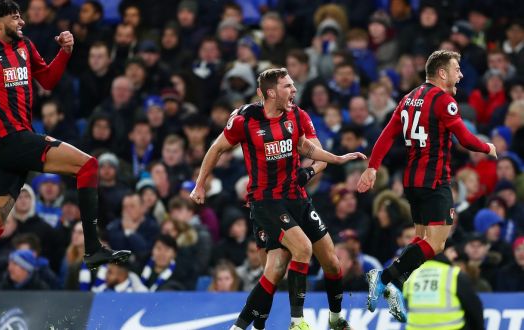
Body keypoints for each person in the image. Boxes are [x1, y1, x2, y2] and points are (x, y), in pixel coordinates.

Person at [0, 1, 130, 329]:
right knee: (88, 166)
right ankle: (92, 248)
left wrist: (65, 53)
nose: (22, 20)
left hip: (15, 145)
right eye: (15, 15)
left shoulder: (26, 47)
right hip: (9, 140)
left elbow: (48, 80)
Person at [191, 68, 365, 330]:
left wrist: (327, 163)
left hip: (297, 198)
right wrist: (200, 185)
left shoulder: (297, 115)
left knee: (328, 260)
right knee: (296, 253)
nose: (294, 90)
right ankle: (296, 322)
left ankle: (334, 317)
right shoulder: (244, 120)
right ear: (270, 92)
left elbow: (310, 149)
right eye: (288, 86)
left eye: (293, 85)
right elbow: (216, 149)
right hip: (266, 202)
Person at [357, 50, 497, 323]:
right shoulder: (443, 101)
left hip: (411, 181)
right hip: (435, 181)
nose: (461, 75)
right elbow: (465, 139)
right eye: (457, 69)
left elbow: (387, 135)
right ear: (442, 73)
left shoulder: (408, 98)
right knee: (436, 244)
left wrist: (372, 167)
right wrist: (487, 146)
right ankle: (385, 278)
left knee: (420, 240)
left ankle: (397, 283)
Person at [403, 242, 484, 330]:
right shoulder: (453, 274)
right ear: (442, 252)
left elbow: (407, 304)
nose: (455, 255)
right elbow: (474, 308)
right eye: (452, 251)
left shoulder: (412, 276)